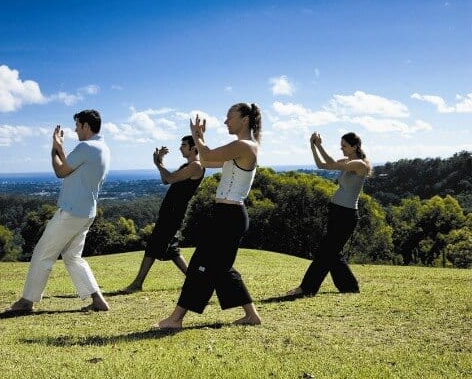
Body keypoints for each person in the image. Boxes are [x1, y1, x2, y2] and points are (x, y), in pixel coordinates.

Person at [156, 103, 263, 329]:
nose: (225, 121)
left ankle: (176, 318)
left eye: (229, 117)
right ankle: (251, 315)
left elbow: (206, 154)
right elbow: (207, 160)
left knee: (200, 265)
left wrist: (198, 137)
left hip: (230, 216)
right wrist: (200, 141)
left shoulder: (244, 145)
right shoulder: (241, 147)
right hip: (226, 215)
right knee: (221, 267)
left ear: (244, 119)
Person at [7, 110, 111, 313]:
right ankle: (97, 300)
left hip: (71, 212)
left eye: (77, 125)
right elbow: (71, 167)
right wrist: (61, 149)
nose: (75, 129)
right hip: (86, 212)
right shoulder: (102, 148)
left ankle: (27, 301)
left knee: (42, 253)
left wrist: (54, 148)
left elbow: (60, 171)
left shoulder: (86, 147)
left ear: (86, 126)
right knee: (72, 257)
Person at [286, 132, 372, 297]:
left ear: (355, 146)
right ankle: (350, 287)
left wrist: (319, 145)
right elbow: (322, 165)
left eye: (344, 145)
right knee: (332, 252)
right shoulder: (347, 161)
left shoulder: (360, 164)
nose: (341, 148)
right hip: (336, 211)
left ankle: (306, 288)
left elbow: (331, 162)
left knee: (325, 251)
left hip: (346, 215)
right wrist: (313, 147)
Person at [120, 136, 204, 293]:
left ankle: (137, 283)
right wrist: (160, 163)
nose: (180, 148)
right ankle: (195, 281)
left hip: (174, 214)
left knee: (153, 246)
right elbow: (166, 180)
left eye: (184, 145)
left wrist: (158, 163)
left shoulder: (196, 166)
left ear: (193, 148)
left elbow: (170, 178)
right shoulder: (187, 165)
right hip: (170, 212)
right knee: (171, 249)